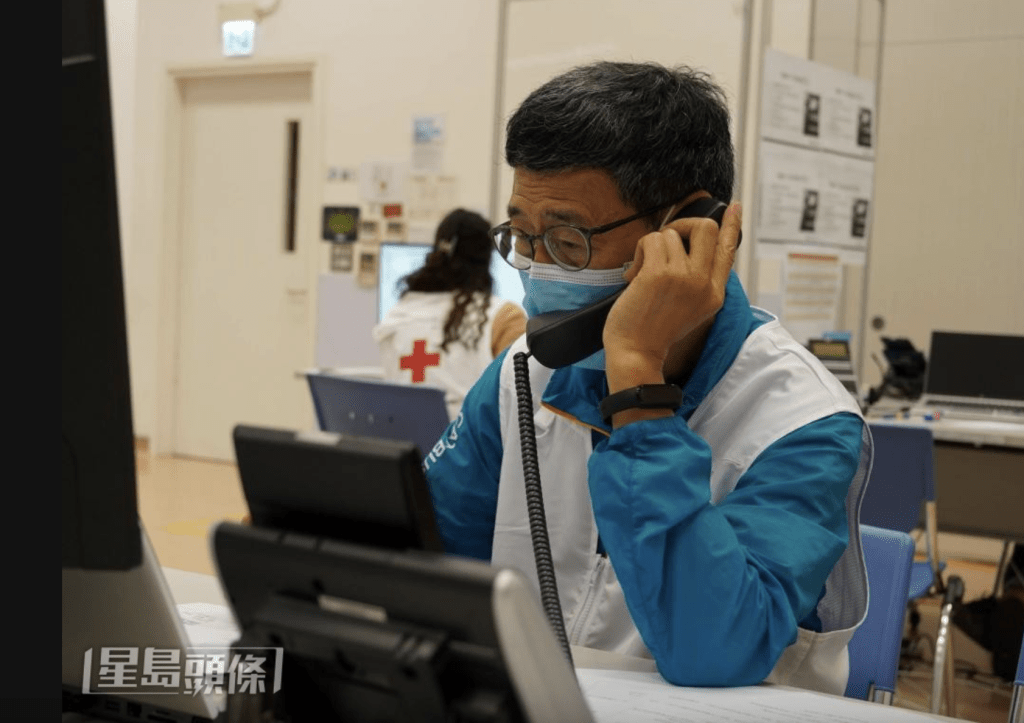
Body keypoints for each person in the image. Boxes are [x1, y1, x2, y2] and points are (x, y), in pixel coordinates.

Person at [421, 61, 872, 695]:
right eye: (521, 235)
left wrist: (636, 376)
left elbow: (711, 650)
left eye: (568, 240)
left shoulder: (802, 422)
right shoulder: (521, 377)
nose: (537, 268)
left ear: (689, 231)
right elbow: (427, 561)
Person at [373, 209, 526, 421]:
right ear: (487, 258)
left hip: (403, 440)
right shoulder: (504, 318)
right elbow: (524, 402)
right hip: (469, 441)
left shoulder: (397, 315)